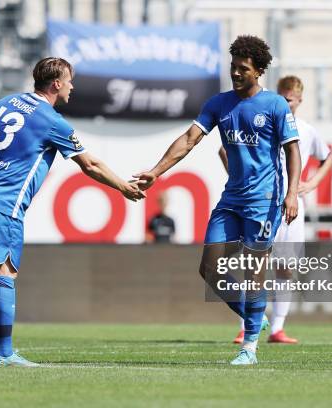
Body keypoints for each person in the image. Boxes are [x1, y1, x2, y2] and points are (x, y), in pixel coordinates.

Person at [0, 57, 145, 367]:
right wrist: (122, 186)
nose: (72, 86)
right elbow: (89, 164)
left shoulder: (5, 102)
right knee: (4, 272)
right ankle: (4, 353)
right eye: (69, 81)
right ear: (56, 84)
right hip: (3, 200)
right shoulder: (52, 121)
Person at [135, 35, 301, 365]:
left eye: (243, 68)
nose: (236, 73)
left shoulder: (275, 106)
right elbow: (189, 139)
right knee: (209, 269)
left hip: (264, 201)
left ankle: (249, 348)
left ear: (259, 71)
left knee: (255, 270)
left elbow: (292, 150)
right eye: (233, 67)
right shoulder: (219, 104)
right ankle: (253, 314)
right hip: (232, 199)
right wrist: (157, 172)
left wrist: (292, 193)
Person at [224, 75, 332, 345]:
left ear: (299, 100)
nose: (285, 103)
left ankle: (277, 329)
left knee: (286, 267)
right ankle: (245, 326)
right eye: (282, 98)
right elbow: (224, 151)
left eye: (290, 99)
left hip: (293, 205)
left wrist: (312, 183)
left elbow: (327, 156)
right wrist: (243, 184)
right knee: (254, 264)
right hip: (262, 202)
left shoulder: (306, 130)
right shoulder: (264, 122)